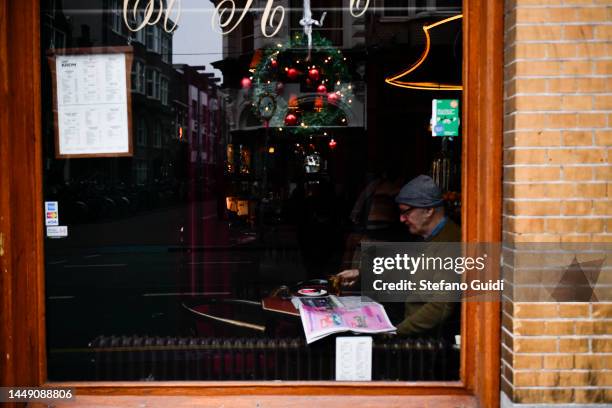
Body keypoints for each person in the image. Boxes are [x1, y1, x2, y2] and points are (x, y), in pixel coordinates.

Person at [336, 175, 460, 337]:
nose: (401, 219)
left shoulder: (450, 244)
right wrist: (361, 274)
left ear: (429, 211)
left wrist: (396, 332)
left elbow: (440, 306)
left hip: (432, 343)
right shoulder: (425, 236)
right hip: (415, 333)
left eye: (406, 212)